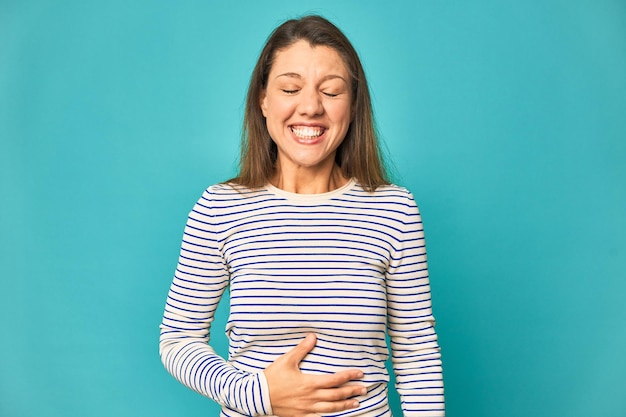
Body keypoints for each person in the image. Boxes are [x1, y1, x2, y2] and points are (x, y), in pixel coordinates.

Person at [159, 15, 445, 417]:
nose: (310, 107)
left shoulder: (393, 210)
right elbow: (177, 340)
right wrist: (255, 394)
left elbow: (417, 356)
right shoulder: (220, 207)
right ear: (262, 99)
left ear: (353, 104)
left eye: (331, 91)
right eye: (290, 88)